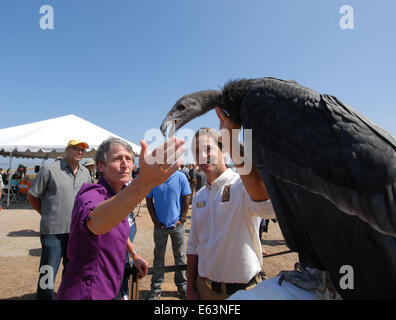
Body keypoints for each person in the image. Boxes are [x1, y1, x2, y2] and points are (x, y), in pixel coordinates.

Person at [56, 136, 186, 300]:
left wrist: (134, 254)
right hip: (87, 292)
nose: (125, 164)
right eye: (117, 159)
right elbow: (97, 223)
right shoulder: (91, 194)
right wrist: (144, 181)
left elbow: (116, 228)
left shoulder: (122, 194)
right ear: (101, 166)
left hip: (113, 287)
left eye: (129, 159)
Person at [186, 125, 276, 300]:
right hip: (204, 289)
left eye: (208, 149)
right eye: (197, 152)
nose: (202, 157)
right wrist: (191, 288)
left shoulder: (242, 186)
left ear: (224, 151)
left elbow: (268, 210)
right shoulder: (199, 197)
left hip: (242, 292)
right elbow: (194, 245)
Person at [28, 139, 93, 300]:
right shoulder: (50, 170)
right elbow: (32, 195)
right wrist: (46, 213)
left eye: (82, 150)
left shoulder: (86, 173)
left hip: (77, 233)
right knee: (48, 271)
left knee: (71, 271)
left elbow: (90, 197)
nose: (79, 152)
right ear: (67, 150)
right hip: (53, 232)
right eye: (75, 149)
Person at [146, 170, 191, 300]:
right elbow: (148, 199)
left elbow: (187, 197)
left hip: (177, 226)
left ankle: (182, 286)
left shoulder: (180, 176)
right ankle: (156, 288)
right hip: (160, 226)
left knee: (180, 256)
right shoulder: (154, 177)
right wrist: (155, 220)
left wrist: (182, 219)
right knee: (158, 257)